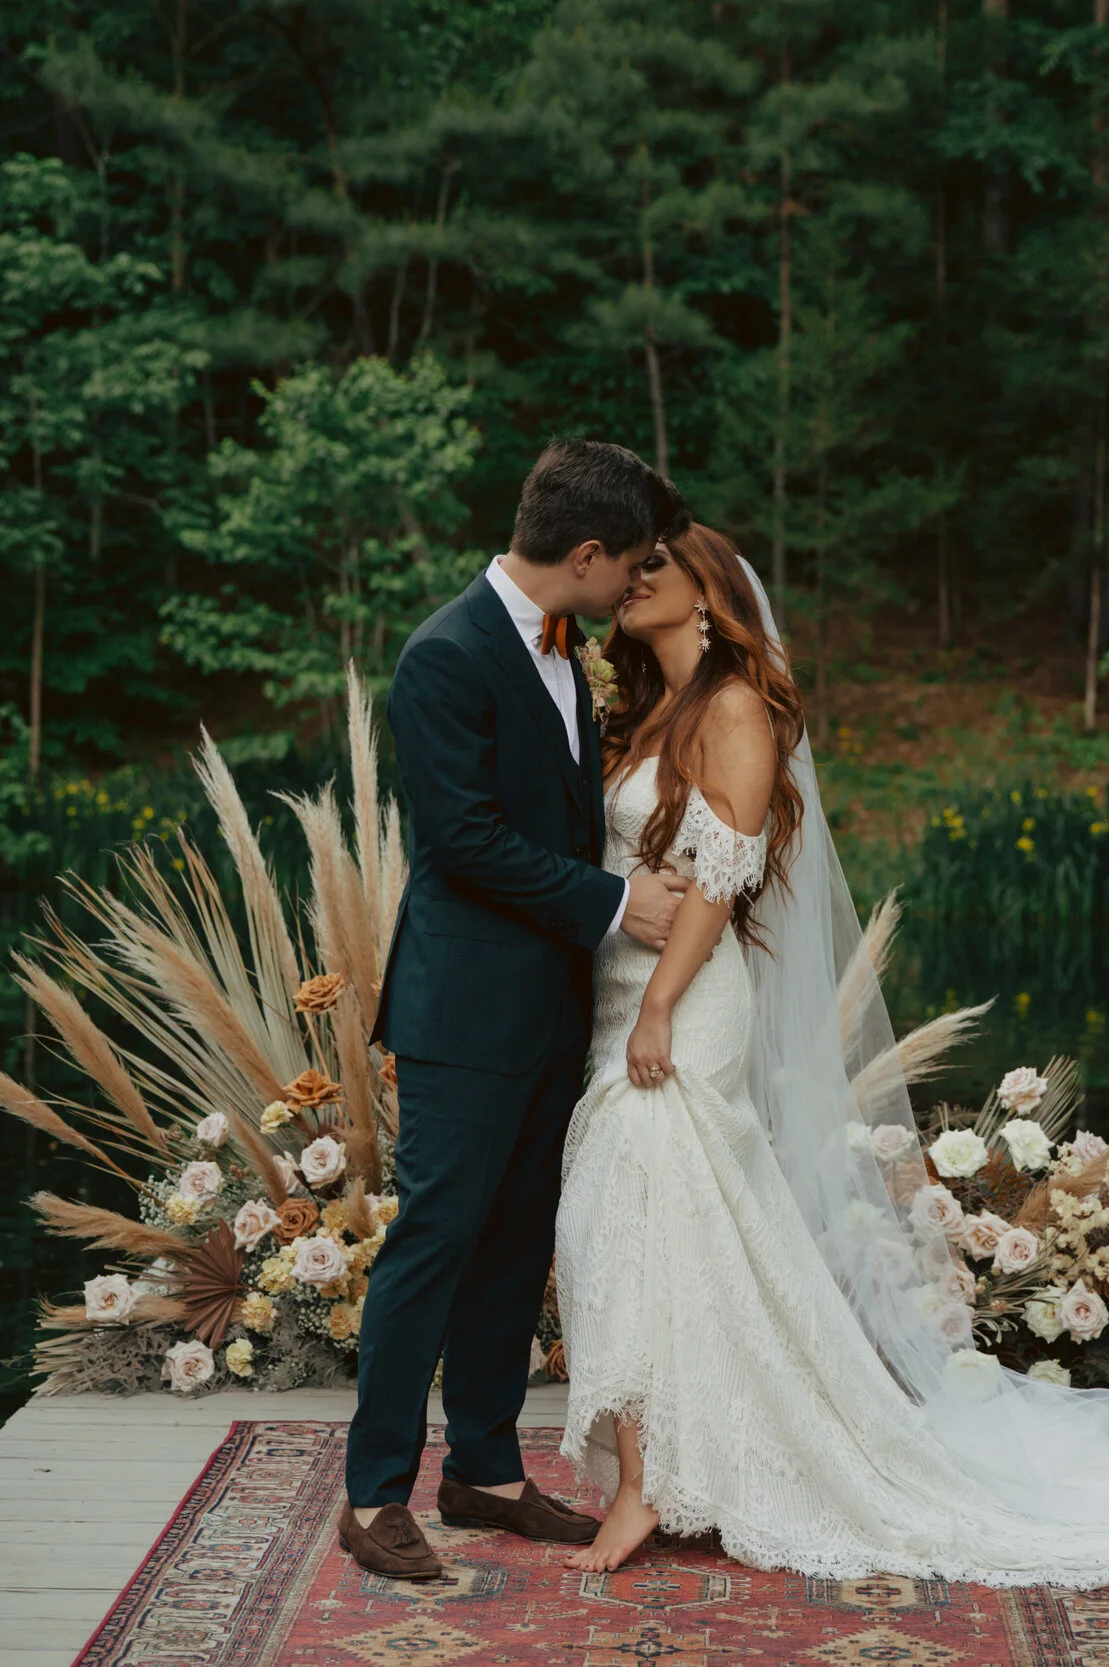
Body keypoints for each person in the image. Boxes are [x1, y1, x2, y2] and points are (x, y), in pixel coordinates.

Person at [552, 524, 1109, 1582]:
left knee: (638, 1205)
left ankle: (644, 1482)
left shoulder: (732, 708)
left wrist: (659, 1008)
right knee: (662, 1224)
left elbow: (720, 877)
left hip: (683, 1001)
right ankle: (688, 1455)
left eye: (653, 571)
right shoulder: (646, 713)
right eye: (625, 569)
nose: (628, 586)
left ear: (707, 594)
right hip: (624, 991)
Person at [343, 439, 693, 1580]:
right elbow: (465, 841)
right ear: (583, 554)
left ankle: (485, 1471)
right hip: (463, 1008)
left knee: (513, 1241)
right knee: (434, 1240)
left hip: (552, 1005)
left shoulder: (566, 645)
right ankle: (371, 1493)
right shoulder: (443, 654)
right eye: (630, 563)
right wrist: (614, 902)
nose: (635, 582)